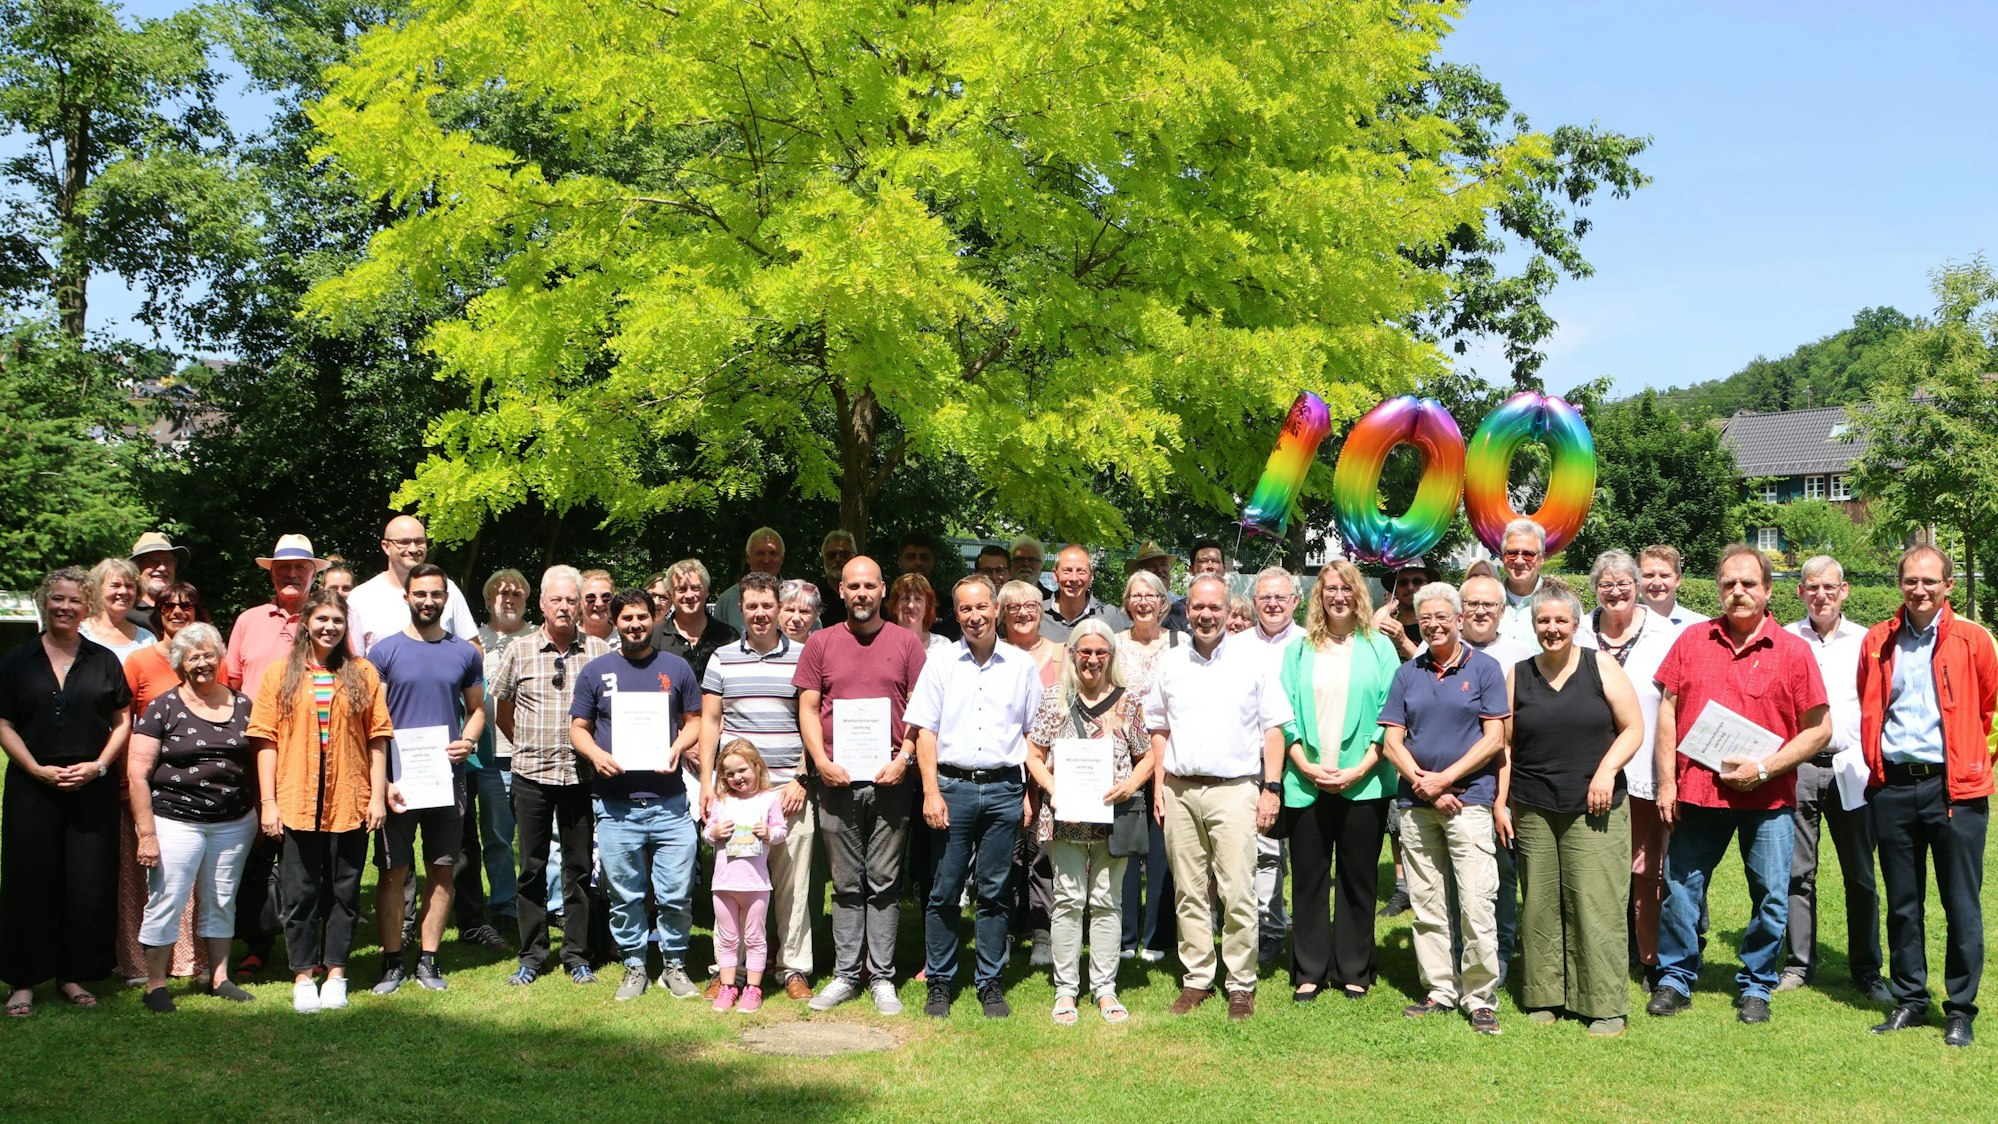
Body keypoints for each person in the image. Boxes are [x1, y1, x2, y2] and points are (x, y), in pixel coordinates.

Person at [1648, 544, 1831, 1025]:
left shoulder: (1794, 651)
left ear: (1768, 591)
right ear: (1718, 589)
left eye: (1749, 583)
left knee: (1771, 893)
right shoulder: (1691, 640)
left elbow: (1819, 729)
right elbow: (1667, 711)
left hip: (1768, 797)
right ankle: (1675, 979)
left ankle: (1756, 985)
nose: (1738, 592)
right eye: (1729, 583)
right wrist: (1666, 783)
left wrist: (1766, 768)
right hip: (1698, 791)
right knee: (1681, 888)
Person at [1858, 544, 1997, 1048]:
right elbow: (1871, 706)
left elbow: (1990, 711)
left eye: (1930, 582)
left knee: (1961, 904)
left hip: (1954, 790)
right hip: (1894, 787)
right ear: (1900, 583)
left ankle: (1959, 1009)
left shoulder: (1975, 641)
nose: (1920, 590)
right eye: (1911, 581)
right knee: (1903, 902)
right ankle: (1911, 999)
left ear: (1948, 586)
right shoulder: (1878, 641)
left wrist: (1975, 766)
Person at [1144, 575, 1292, 1021]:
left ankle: (1240, 983)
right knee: (1188, 891)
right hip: (1181, 789)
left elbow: (1274, 730)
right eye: (1197, 608)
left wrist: (1271, 788)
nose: (1205, 615)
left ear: (1229, 611)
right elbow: (1158, 728)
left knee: (1237, 891)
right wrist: (1158, 784)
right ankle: (1197, 979)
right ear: (1186, 610)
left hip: (1235, 790)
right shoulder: (1169, 664)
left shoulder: (1253, 662)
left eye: (1214, 608)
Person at [1505, 581, 1644, 1036]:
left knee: (1595, 902)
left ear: (1576, 624)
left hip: (1595, 806)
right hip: (1533, 805)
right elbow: (1504, 744)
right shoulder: (1519, 674)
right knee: (1540, 903)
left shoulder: (1599, 665)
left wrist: (1606, 771)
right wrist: (1501, 801)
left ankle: (1604, 1004)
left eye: (1560, 620)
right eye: (1543, 620)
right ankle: (1545, 993)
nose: (1551, 628)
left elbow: (1633, 728)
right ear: (1533, 625)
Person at [248, 589, 391, 1014]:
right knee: (301, 892)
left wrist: (377, 796)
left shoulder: (362, 672)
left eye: (338, 620)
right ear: (306, 623)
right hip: (296, 798)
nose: (330, 627)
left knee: (344, 892)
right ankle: (303, 975)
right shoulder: (280, 675)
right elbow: (265, 740)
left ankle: (336, 974)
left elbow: (378, 738)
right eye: (322, 619)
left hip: (350, 798)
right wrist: (269, 802)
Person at [797, 556, 929, 1015]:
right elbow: (809, 708)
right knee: (847, 882)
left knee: (886, 881)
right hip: (836, 782)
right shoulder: (820, 642)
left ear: (881, 590)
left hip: (891, 780)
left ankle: (883, 977)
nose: (861, 594)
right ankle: (846, 975)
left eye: (869, 586)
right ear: (841, 591)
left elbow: (921, 710)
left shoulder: (907, 642)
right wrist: (820, 761)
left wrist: (905, 758)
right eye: (852, 586)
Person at [1380, 582, 1510, 1035]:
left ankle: (1479, 998)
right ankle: (1439, 989)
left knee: (1476, 901)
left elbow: (1494, 739)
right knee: (1428, 902)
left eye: (1442, 616)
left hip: (1469, 803)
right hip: (1417, 805)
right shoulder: (1408, 673)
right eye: (1426, 617)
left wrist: (1447, 779)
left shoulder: (1487, 668)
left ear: (1458, 619)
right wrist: (1424, 784)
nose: (1433, 624)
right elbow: (1391, 741)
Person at [1, 567, 131, 1017]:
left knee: (86, 884)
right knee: (29, 881)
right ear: (44, 600)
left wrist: (97, 766)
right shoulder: (18, 660)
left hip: (90, 789)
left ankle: (72, 974)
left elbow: (122, 721)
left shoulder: (103, 661)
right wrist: (35, 768)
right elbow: (3, 722)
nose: (64, 607)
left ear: (87, 607)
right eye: (56, 598)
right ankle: (23, 980)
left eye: (74, 601)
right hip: (31, 789)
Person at [911, 575, 1043, 1019]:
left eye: (981, 607)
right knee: (944, 891)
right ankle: (941, 982)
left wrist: (1029, 793)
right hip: (952, 788)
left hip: (1005, 788)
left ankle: (990, 981)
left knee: (994, 891)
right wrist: (930, 791)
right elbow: (924, 731)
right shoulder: (941, 661)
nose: (974, 616)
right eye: (964, 609)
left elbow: (1032, 736)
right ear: (956, 613)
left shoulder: (1021, 666)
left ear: (996, 609)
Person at [571, 589, 705, 1002]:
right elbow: (578, 728)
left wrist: (677, 748)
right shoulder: (596, 672)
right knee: (625, 893)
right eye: (626, 618)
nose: (635, 625)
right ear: (615, 622)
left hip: (669, 801)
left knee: (676, 892)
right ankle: (633, 965)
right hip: (615, 805)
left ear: (655, 618)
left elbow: (695, 720)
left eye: (642, 617)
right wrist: (596, 755)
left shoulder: (676, 668)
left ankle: (674, 964)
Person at [1275, 560, 1400, 1002]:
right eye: (1330, 588)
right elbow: (1283, 715)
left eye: (1346, 588)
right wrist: (1303, 765)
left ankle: (1353, 967)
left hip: (1363, 781)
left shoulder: (1380, 648)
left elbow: (1391, 716)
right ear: (1318, 595)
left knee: (1357, 877)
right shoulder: (1298, 650)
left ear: (1359, 594)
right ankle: (1309, 968)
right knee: (1308, 878)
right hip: (1306, 781)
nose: (1338, 596)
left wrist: (1361, 767)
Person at [1025, 620, 1154, 1024]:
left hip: (1111, 816)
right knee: (1067, 900)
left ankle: (1104, 988)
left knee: (1105, 901)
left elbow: (1147, 755)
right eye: (1085, 651)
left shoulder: (1127, 701)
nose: (1093, 660)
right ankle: (1066, 990)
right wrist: (1051, 785)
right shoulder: (1055, 699)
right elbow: (1033, 753)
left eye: (1101, 652)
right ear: (1073, 654)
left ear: (1110, 656)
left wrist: (1130, 784)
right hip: (1065, 816)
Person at [126, 623, 258, 1011]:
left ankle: (219, 978)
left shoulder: (243, 704)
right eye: (193, 656)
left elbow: (257, 761)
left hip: (234, 822)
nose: (202, 662)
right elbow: (136, 773)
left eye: (208, 654)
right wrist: (146, 833)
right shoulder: (162, 707)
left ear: (220, 659)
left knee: (221, 898)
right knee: (168, 897)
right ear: (180, 662)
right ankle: (155, 984)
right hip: (174, 820)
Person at [367, 564, 485, 995]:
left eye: (436, 594)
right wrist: (380, 780)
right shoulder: (384, 653)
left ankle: (429, 960)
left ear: (446, 598)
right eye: (420, 594)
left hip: (445, 779)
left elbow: (477, 710)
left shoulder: (465, 654)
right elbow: (373, 721)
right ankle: (392, 960)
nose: (428, 601)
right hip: (397, 782)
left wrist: (468, 742)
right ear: (407, 598)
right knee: (392, 873)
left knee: (442, 871)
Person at [700, 572, 816, 1001]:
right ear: (741, 610)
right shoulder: (722, 658)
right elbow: (711, 721)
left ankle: (793, 968)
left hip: (787, 788)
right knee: (733, 882)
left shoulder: (804, 657)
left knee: (792, 885)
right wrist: (709, 784)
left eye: (768, 605)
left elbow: (811, 723)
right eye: (752, 606)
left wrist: (803, 776)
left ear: (780, 608)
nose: (761, 614)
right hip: (735, 794)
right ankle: (728, 971)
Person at [492, 566, 610, 986]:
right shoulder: (519, 651)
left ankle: (576, 953)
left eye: (571, 600)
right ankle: (532, 953)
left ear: (581, 605)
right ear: (541, 604)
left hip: (580, 776)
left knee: (577, 868)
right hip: (531, 776)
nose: (564, 606)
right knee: (531, 867)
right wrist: (528, 744)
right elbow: (503, 712)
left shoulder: (598, 652)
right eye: (556, 600)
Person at [1778, 556, 1887, 1003]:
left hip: (1852, 768)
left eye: (1829, 587)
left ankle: (1867, 970)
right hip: (1799, 768)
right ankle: (1798, 966)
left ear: (1844, 591)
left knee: (1860, 874)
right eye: (1811, 587)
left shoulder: (1866, 642)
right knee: (1796, 873)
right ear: (1800, 592)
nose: (1820, 594)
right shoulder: (1784, 638)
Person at [1571, 550, 1684, 978]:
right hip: (1587, 770)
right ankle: (1600, 954)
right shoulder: (1579, 630)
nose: (1614, 591)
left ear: (1636, 587)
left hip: (1645, 770)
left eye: (1623, 583)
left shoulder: (1664, 634)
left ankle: (1651, 956)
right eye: (1605, 584)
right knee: (1595, 866)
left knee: (1648, 869)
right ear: (1594, 588)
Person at [223, 533, 329, 978]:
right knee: (257, 852)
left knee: (312, 854)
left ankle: (314, 945)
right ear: (272, 573)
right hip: (257, 751)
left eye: (299, 568)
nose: (291, 574)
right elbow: (229, 684)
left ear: (311, 574)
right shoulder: (249, 621)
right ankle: (257, 942)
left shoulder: (326, 620)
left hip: (314, 753)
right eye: (282, 567)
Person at [117, 581, 214, 985]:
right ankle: (139, 964)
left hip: (199, 791)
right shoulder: (139, 661)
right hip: (147, 785)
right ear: (158, 611)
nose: (178, 610)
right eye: (169, 605)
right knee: (145, 877)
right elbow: (122, 721)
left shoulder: (209, 657)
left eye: (187, 604)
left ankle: (191, 960)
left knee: (195, 877)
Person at [454, 568, 535, 951]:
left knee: (541, 836)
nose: (509, 598)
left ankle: (545, 903)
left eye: (516, 593)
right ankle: (503, 903)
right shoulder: (473, 643)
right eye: (501, 593)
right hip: (490, 755)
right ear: (487, 600)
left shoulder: (538, 638)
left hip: (535, 753)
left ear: (526, 599)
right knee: (498, 837)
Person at [1115, 569, 1185, 962]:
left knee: (1162, 847)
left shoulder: (1181, 643)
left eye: (1152, 596)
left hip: (1170, 755)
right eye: (1136, 596)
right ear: (1127, 603)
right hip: (1123, 758)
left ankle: (1157, 937)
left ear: (1163, 603)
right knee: (1124, 848)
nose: (1144, 602)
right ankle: (1125, 936)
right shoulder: (1112, 644)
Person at [1240, 566, 1306, 963]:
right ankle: (1269, 928)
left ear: (1295, 602)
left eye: (1281, 597)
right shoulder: (1238, 645)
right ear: (1254, 603)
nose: (1273, 603)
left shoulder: (1309, 642)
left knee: (1305, 850)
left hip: (1305, 759)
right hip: (1255, 761)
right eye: (1265, 597)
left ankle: (1308, 930)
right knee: (1264, 850)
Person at [999, 578, 1064, 964]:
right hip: (1007, 772)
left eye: (1031, 606)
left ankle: (1043, 932)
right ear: (1001, 615)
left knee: (1044, 855)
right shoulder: (992, 655)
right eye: (1013, 607)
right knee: (1004, 857)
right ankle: (1002, 931)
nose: (1023, 613)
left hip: (1052, 772)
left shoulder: (1062, 654)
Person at [705, 739, 790, 1013]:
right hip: (724, 883)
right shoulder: (721, 802)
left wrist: (769, 833)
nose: (736, 778)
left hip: (756, 884)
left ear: (756, 766)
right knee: (728, 938)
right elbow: (707, 832)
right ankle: (728, 987)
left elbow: (781, 831)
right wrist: (714, 833)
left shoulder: (768, 799)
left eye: (742, 770)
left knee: (755, 937)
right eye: (729, 774)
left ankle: (753, 988)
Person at [346, 516, 479, 655]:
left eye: (419, 541)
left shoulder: (447, 589)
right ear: (386, 547)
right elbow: (354, 662)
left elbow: (473, 647)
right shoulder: (361, 597)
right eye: (404, 542)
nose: (413, 549)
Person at [652, 559, 740, 680]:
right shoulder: (653, 638)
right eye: (681, 589)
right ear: (671, 594)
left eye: (695, 588)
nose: (689, 595)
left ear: (707, 591)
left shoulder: (728, 637)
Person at [1041, 545, 1130, 642]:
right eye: (1067, 571)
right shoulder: (1038, 614)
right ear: (1055, 575)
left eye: (1081, 571)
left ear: (1091, 576)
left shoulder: (1109, 615)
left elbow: (1119, 655)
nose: (1073, 578)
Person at [79, 557, 156, 664]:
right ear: (97, 589)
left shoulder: (147, 640)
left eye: (129, 586)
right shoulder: (79, 632)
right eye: (115, 585)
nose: (123, 591)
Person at [712, 527, 785, 632]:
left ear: (782, 558)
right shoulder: (727, 601)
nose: (766, 560)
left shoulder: (797, 598)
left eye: (773, 554)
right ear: (747, 557)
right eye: (760, 553)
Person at [896, 531, 961, 641]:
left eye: (924, 557)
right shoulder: (884, 604)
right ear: (899, 561)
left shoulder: (948, 606)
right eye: (911, 557)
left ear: (933, 561)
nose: (918, 562)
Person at [1496, 519, 1548, 649]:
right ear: (1503, 557)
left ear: (1541, 559)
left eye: (1528, 554)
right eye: (1512, 553)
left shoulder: (1562, 602)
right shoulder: (1486, 602)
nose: (1519, 561)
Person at [1373, 557, 1438, 661]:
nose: (1410, 587)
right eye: (1403, 582)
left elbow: (1434, 670)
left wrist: (1402, 639)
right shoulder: (1385, 625)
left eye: (1417, 581)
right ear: (1395, 588)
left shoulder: (1438, 625)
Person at [129, 531, 189, 636]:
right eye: (152, 561)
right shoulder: (126, 613)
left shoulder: (187, 610)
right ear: (137, 568)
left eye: (168, 561)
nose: (162, 568)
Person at [1639, 545, 1708, 628]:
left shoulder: (1701, 626)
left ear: (1678, 579)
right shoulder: (1622, 626)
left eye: (1664, 575)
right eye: (1649, 575)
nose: (1657, 583)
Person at [1165, 539, 1225, 633]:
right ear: (1191, 569)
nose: (1210, 566)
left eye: (1216, 561)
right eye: (1203, 561)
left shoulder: (1237, 611)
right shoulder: (1176, 611)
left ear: (1224, 569)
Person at [890, 572, 953, 653]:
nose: (911, 605)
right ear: (894, 606)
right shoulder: (881, 645)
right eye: (905, 598)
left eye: (918, 599)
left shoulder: (943, 646)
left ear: (927, 607)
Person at [816, 531, 857, 627]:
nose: (838, 559)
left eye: (844, 555)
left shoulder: (868, 593)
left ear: (854, 557)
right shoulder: (813, 596)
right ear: (823, 560)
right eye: (831, 555)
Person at [579, 569, 616, 642]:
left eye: (606, 596)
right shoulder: (568, 638)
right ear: (579, 600)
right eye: (590, 597)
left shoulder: (624, 638)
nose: (599, 603)